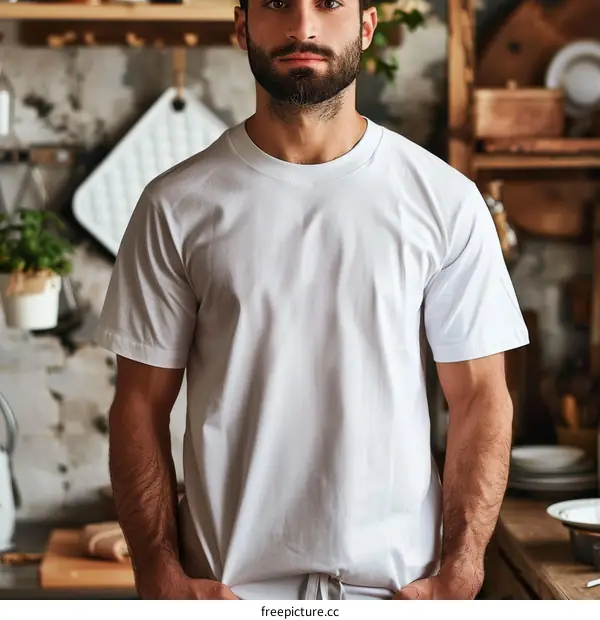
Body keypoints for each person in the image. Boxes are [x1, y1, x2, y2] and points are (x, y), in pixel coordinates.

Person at [93, 0, 530, 601]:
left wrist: (462, 571)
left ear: (367, 26)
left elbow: (481, 397)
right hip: (231, 598)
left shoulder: (445, 202)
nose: (303, 25)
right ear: (243, 25)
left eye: (328, 3)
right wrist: (159, 574)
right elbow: (139, 405)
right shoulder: (175, 207)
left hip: (395, 596)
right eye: (277, 3)